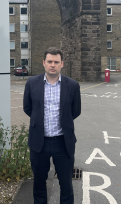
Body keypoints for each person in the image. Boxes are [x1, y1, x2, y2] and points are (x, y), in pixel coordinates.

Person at [23, 47, 81, 204]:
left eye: (56, 62)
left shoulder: (73, 86)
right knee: (39, 184)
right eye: (49, 62)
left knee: (66, 185)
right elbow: (28, 108)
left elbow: (75, 111)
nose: (53, 65)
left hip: (63, 142)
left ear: (62, 64)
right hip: (39, 142)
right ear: (44, 63)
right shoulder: (32, 83)